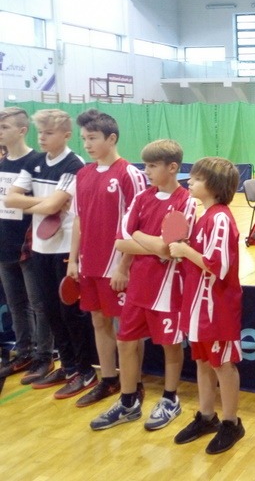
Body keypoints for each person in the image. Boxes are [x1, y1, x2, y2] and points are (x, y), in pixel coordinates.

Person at [90, 139, 196, 432]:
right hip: (137, 287)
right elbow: (121, 242)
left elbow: (168, 249)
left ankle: (170, 399)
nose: (146, 171)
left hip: (167, 289)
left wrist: (137, 235)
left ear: (172, 167)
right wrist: (146, 246)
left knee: (170, 346)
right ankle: (128, 402)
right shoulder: (141, 198)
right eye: (145, 165)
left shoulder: (186, 201)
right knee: (125, 341)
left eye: (152, 165)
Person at [6, 109, 96, 398]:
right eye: (40, 133)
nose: (42, 138)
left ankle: (85, 371)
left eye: (49, 133)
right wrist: (45, 203)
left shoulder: (74, 164)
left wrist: (36, 203)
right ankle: (68, 367)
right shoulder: (34, 162)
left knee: (70, 314)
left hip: (65, 249)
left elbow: (50, 206)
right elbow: (11, 198)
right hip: (39, 248)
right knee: (51, 312)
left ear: (66, 135)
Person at [67, 109, 147, 407]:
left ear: (111, 138)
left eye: (92, 138)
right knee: (98, 321)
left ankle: (134, 384)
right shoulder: (83, 174)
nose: (87, 144)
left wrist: (124, 266)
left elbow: (138, 226)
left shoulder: (130, 174)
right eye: (84, 138)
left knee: (127, 329)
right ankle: (109, 379)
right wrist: (73, 260)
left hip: (118, 267)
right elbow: (78, 219)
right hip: (89, 264)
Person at [170, 157, 245, 454]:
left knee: (222, 364)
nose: (190, 181)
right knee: (202, 361)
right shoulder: (204, 217)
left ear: (214, 185)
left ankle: (231, 422)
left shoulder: (221, 219)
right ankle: (206, 416)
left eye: (198, 178)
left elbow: (219, 265)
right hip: (196, 305)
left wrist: (185, 250)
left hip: (217, 308)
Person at [0, 107, 51, 380]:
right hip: (3, 245)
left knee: (39, 305)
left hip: (31, 248)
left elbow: (50, 203)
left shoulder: (37, 162)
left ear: (22, 130)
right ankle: (24, 354)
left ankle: (44, 357)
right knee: (16, 304)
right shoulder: (1, 164)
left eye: (4, 127)